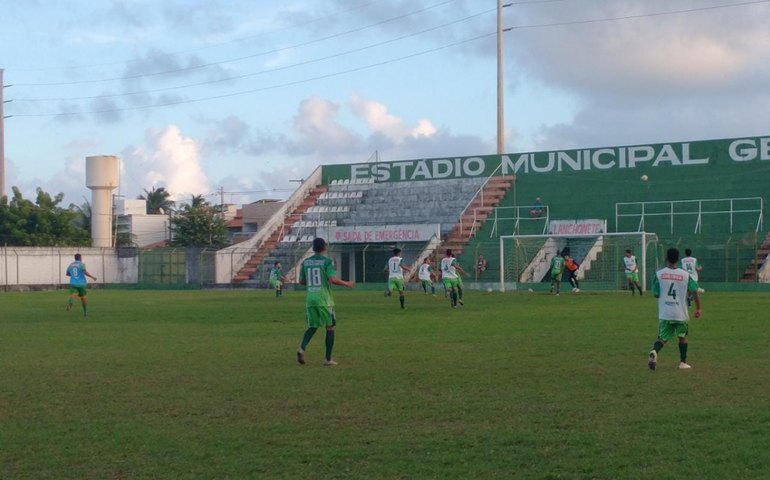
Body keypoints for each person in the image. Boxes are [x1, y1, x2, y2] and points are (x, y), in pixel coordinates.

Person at [297, 238, 354, 367]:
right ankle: (328, 359)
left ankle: (301, 348)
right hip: (324, 299)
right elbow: (332, 279)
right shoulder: (327, 262)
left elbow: (301, 281)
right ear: (325, 247)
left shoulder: (305, 262)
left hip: (310, 299)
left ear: (313, 248)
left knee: (313, 326)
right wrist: (347, 283)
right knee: (330, 327)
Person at [648, 248, 702, 371]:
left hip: (665, 313)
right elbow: (694, 291)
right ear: (678, 259)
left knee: (662, 338)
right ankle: (683, 362)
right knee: (682, 337)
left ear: (666, 258)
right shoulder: (685, 275)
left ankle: (654, 351)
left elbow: (655, 294)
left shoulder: (659, 274)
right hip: (680, 313)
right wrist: (698, 308)